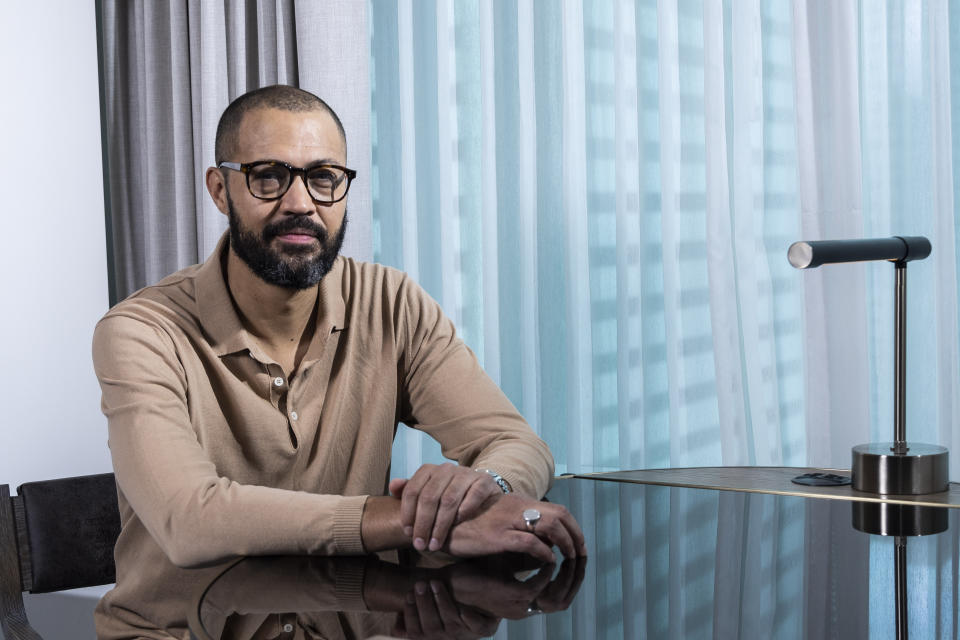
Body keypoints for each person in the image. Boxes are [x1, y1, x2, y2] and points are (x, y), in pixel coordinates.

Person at [92, 84, 585, 638]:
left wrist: (482, 489)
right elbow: (190, 520)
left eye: (323, 176)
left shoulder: (391, 303)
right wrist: (415, 523)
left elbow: (517, 443)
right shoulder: (140, 332)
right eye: (268, 176)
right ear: (220, 189)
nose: (300, 203)